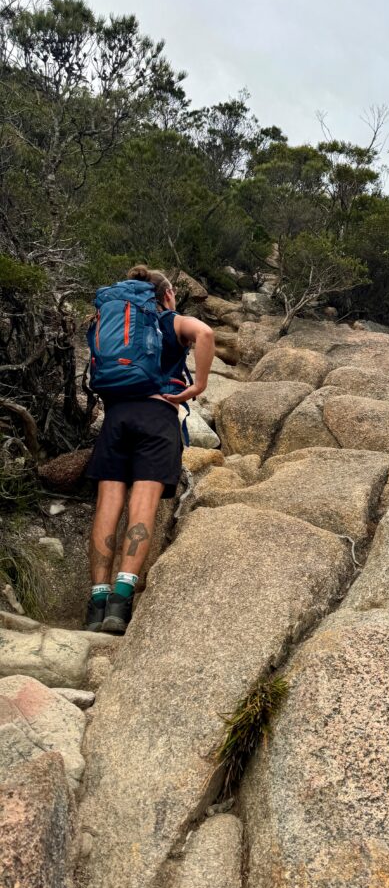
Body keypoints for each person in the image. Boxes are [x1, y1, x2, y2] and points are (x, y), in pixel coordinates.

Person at [83, 265, 215, 633]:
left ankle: (96, 602)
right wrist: (197, 386)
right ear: (167, 295)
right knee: (143, 503)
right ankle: (120, 605)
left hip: (116, 418)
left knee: (108, 503)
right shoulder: (170, 321)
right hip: (157, 419)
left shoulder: (111, 322)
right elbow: (204, 332)